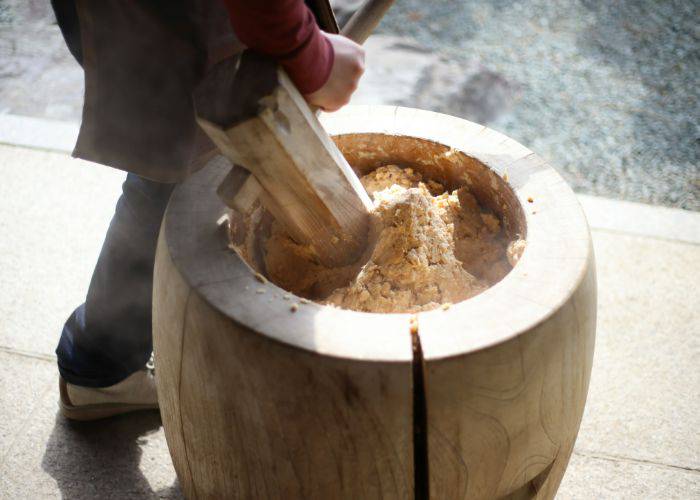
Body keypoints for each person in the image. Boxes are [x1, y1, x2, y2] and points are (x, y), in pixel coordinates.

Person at [51, 0, 365, 420]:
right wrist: (310, 55)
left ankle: (103, 355)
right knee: (171, 173)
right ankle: (103, 366)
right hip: (172, 20)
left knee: (165, 168)